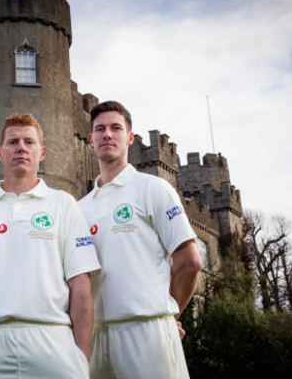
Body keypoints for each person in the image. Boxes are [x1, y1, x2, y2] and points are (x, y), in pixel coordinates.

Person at [0, 113, 101, 378]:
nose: (21, 147)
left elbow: (80, 283)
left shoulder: (64, 204)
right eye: (13, 142)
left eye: (29, 142)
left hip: (51, 337)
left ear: (42, 152)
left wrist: (81, 356)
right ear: (0, 152)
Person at [78, 101, 202, 379]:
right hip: (95, 335)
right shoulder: (79, 208)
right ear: (91, 140)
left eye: (115, 128)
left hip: (147, 331)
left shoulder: (153, 188)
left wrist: (168, 316)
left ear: (129, 138)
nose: (107, 134)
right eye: (100, 129)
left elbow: (189, 263)